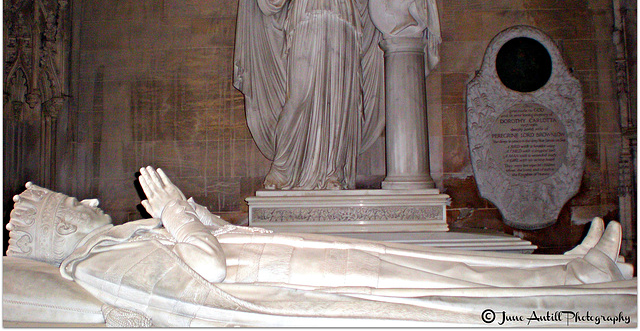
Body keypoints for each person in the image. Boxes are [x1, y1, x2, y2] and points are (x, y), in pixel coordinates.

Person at [5, 167, 634, 326]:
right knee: (438, 289)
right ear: (61, 235)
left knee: (431, 266)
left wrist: (186, 214)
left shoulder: (116, 240)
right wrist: (176, 214)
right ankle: (574, 293)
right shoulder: (102, 261)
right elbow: (206, 268)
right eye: (70, 210)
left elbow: (205, 241)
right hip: (284, 277)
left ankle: (573, 269)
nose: (86, 205)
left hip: (279, 254)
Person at [233, 0, 440, 190]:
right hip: (305, 22)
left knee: (339, 97)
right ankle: (282, 170)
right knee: (299, 94)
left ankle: (332, 172)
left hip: (343, 24)